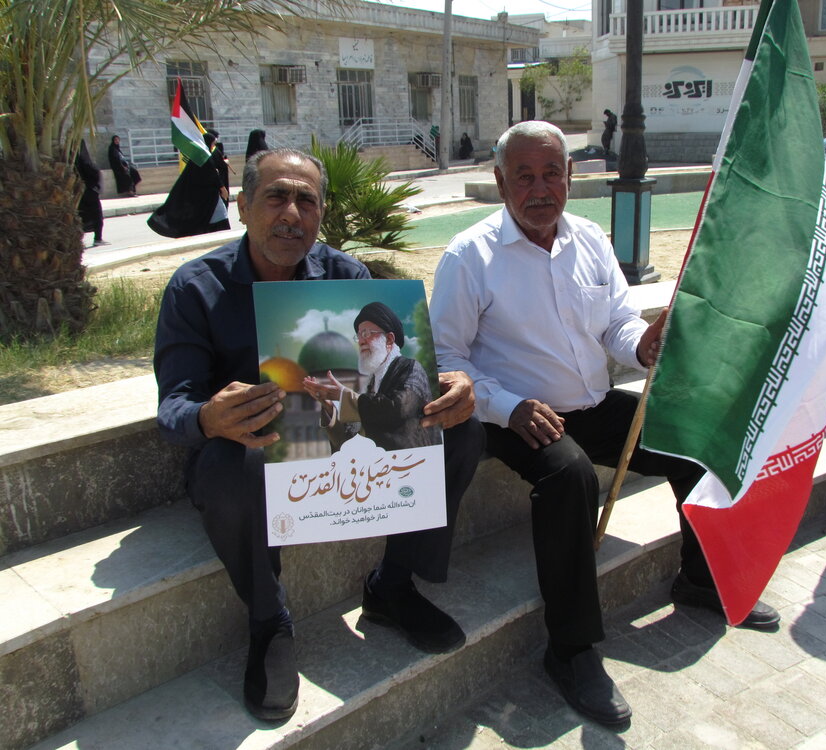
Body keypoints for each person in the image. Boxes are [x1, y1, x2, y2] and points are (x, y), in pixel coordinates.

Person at [429, 121, 779, 728]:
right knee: (570, 479)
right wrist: (507, 406)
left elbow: (616, 322)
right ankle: (570, 651)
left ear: (570, 177)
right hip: (517, 414)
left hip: (592, 403)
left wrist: (643, 344)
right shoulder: (470, 256)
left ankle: (701, 578)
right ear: (500, 183)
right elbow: (446, 358)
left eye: (552, 174)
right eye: (524, 177)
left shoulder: (589, 237)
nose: (540, 189)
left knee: (694, 439)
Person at [154, 148, 484, 722]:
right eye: (276, 197)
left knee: (460, 431)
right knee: (227, 468)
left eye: (306, 201)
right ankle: (269, 620)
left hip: (337, 437)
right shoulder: (196, 288)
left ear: (321, 212)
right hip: (252, 450)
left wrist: (446, 384)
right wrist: (209, 417)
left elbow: (385, 385)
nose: (291, 213)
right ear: (242, 207)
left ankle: (392, 587)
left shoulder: (346, 277)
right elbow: (174, 405)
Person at [302, 301, 438, 450]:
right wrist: (330, 407)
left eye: (366, 334)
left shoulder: (411, 368)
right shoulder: (372, 385)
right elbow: (353, 439)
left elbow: (399, 409)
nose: (361, 341)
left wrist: (344, 396)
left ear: (389, 339)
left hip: (415, 460)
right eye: (358, 336)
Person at [147, 134, 231, 238]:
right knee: (219, 214)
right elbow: (211, 173)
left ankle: (216, 233)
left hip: (207, 193)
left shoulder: (201, 155)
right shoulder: (203, 156)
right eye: (213, 143)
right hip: (207, 194)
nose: (214, 146)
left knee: (214, 215)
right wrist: (222, 188)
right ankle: (220, 235)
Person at [75, 140, 109, 247]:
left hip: (77, 192)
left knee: (80, 217)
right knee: (97, 215)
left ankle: (78, 241)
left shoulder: (72, 159)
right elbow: (90, 169)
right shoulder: (84, 160)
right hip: (89, 191)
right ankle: (98, 238)